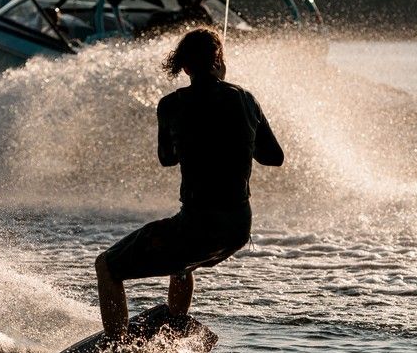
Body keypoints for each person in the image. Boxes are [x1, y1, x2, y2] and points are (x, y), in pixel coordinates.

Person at [94, 28, 284, 337]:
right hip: (237, 228)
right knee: (181, 262)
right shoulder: (246, 99)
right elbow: (273, 157)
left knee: (107, 266)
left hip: (197, 228)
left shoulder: (171, 104)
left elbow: (167, 158)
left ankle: (116, 349)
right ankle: (176, 323)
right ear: (218, 61)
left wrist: (191, 140)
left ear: (184, 66)